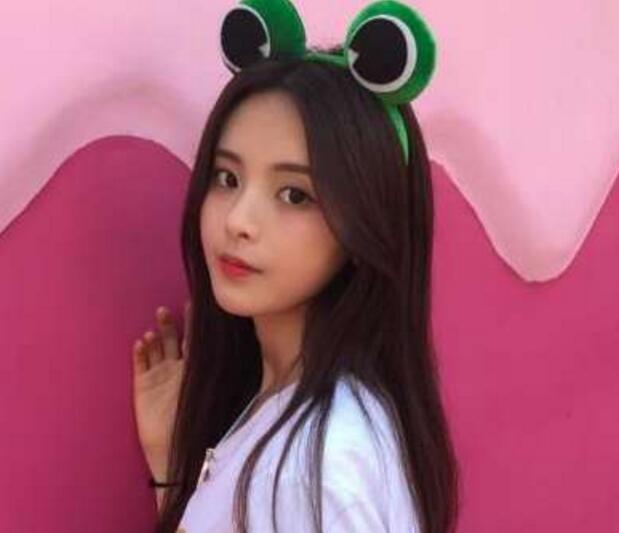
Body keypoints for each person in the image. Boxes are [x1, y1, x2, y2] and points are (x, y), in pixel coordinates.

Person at [132, 1, 459, 531]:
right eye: (227, 178)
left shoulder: (310, 476)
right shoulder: (288, 409)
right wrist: (173, 469)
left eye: (294, 194)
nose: (239, 220)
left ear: (365, 223)